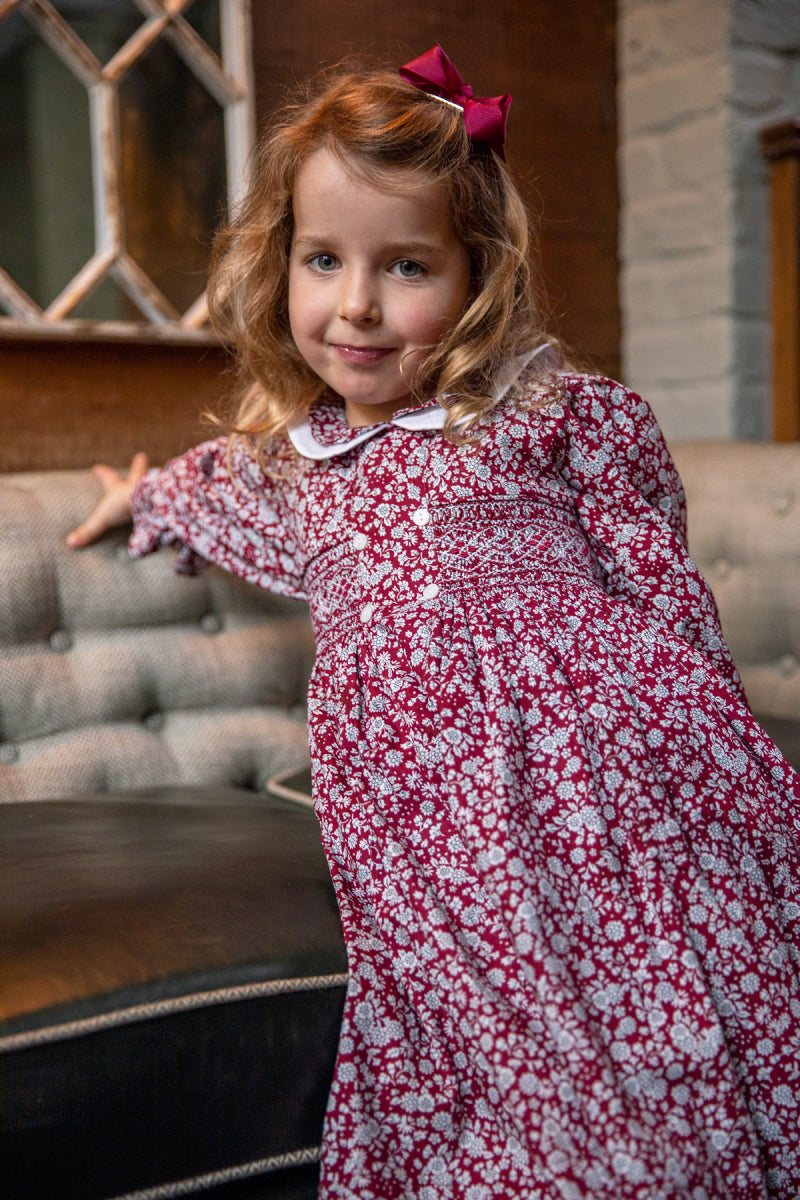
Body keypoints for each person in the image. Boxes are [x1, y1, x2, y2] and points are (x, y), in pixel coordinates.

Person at [67, 46, 800, 1200]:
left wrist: (714, 751)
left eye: (404, 264)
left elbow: (658, 583)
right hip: (422, 800)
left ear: (474, 275)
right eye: (323, 259)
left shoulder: (552, 415)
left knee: (673, 992)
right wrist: (141, 499)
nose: (355, 304)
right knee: (502, 1030)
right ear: (281, 261)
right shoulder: (294, 462)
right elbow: (210, 487)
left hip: (608, 767)